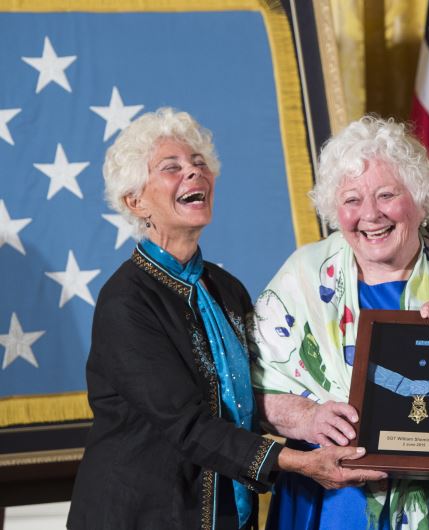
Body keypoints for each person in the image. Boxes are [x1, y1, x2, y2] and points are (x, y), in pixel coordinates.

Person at [67, 108, 385, 530]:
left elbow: (259, 389)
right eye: (172, 168)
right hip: (140, 514)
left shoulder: (225, 287)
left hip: (227, 512)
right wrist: (300, 462)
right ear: (135, 200)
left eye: (200, 164)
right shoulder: (126, 301)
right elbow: (187, 425)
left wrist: (316, 415)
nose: (194, 174)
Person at [251, 116, 429, 530]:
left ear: (420, 197)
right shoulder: (302, 276)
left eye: (387, 195)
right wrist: (308, 418)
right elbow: (254, 388)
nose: (370, 215)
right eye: (351, 200)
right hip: (338, 500)